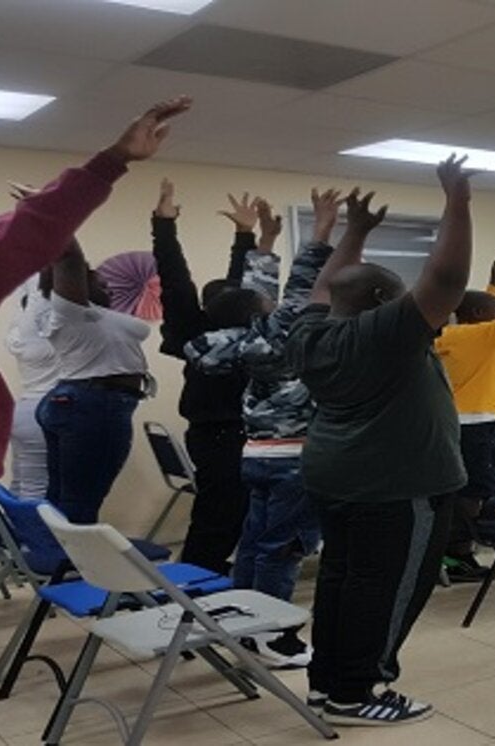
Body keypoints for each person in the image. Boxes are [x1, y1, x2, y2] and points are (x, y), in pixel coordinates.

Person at [0, 96, 190, 698]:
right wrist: (105, 170)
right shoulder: (69, 311)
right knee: (75, 513)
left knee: (57, 506)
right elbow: (50, 252)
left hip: (66, 405)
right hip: (85, 405)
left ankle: (69, 572)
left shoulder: (61, 314)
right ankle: (84, 586)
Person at [286, 157, 473, 726]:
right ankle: (359, 689)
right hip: (398, 485)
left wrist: (356, 233)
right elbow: (444, 281)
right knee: (388, 588)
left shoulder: (311, 331)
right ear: (378, 305)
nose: (408, 307)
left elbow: (326, 285)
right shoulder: (384, 334)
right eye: (394, 296)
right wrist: (457, 203)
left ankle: (328, 684)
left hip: (336, 478)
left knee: (342, 580)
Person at [186, 188, 344, 668]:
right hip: (295, 460)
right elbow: (296, 296)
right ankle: (275, 639)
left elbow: (262, 301)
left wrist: (265, 245)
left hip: (255, 455)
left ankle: (242, 629)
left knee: (255, 546)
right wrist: (319, 233)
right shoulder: (281, 343)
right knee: (284, 553)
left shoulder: (241, 345)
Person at [153, 180, 280, 574]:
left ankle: (213, 575)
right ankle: (195, 584)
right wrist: (163, 227)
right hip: (222, 438)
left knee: (231, 515)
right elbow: (175, 280)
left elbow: (240, 287)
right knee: (217, 519)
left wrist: (246, 236)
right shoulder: (199, 334)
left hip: (232, 436)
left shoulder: (231, 333)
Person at [433, 245, 495, 582]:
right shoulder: (481, 334)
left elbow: (478, 308)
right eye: (493, 313)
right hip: (479, 424)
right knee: (474, 492)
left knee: (455, 490)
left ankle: (449, 553)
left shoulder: (450, 334)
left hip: (454, 423)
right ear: (479, 315)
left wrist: (492, 285)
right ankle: (459, 555)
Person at [36, 234, 153, 524]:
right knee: (81, 500)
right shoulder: (70, 311)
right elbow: (70, 260)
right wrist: (60, 216)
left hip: (79, 400)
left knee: (64, 495)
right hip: (94, 403)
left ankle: (57, 559)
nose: (108, 285)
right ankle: (74, 565)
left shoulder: (95, 315)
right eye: (99, 281)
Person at [5, 272, 60, 496]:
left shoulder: (16, 335)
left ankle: (9, 530)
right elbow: (38, 298)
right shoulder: (43, 341)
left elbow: (30, 301)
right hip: (42, 413)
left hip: (24, 410)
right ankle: (29, 532)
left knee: (21, 484)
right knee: (36, 490)